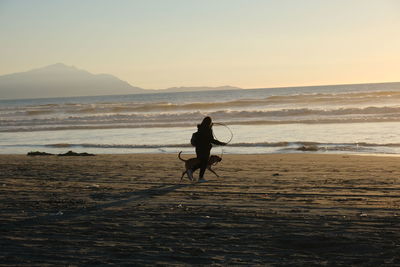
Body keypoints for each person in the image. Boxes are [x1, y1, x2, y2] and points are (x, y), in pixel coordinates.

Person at [188, 116, 226, 182]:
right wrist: (221, 143)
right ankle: (200, 178)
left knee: (201, 162)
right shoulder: (208, 130)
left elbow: (204, 136)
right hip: (205, 149)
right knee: (204, 163)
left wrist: (210, 127)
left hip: (198, 148)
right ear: (209, 122)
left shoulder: (200, 128)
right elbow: (211, 140)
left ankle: (191, 170)